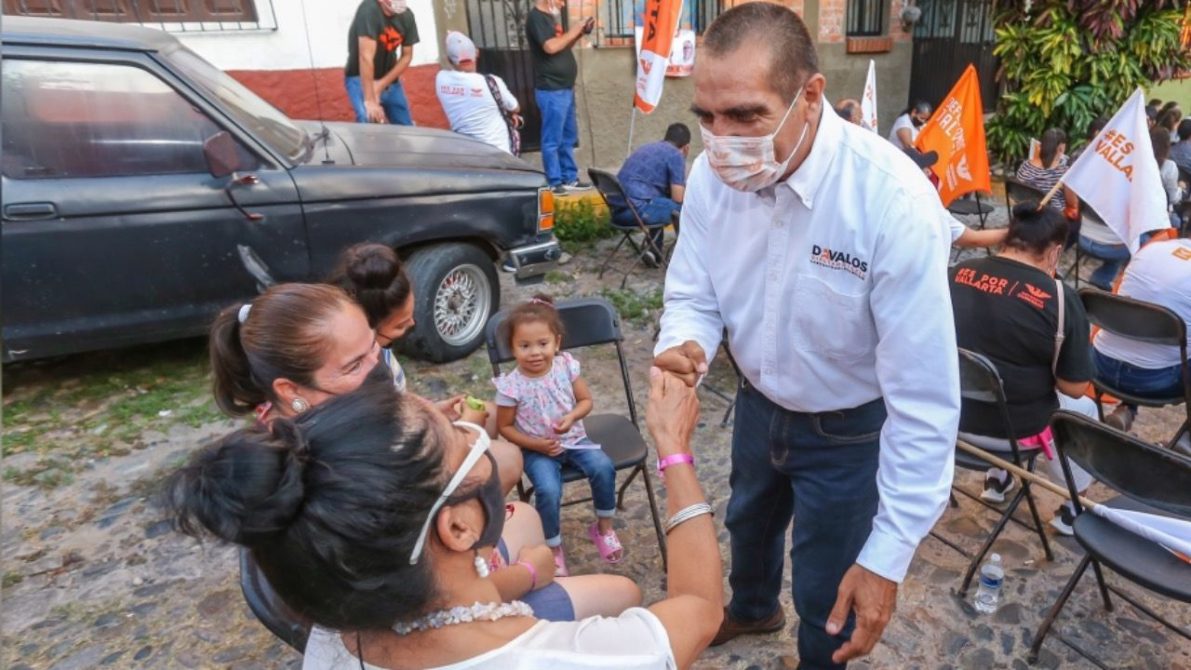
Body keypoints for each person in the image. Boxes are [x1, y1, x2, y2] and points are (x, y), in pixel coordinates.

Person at [654, 4, 961, 667]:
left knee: (829, 588)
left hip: (848, 432)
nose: (720, 139)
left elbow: (924, 398)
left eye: (745, 116)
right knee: (747, 523)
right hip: (756, 406)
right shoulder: (711, 177)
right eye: (707, 116)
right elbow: (694, 289)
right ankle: (752, 608)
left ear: (811, 95)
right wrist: (687, 344)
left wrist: (887, 556)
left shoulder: (892, 202)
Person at [168, 362, 723, 668]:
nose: (476, 437)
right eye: (462, 441)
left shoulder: (338, 628)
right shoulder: (566, 660)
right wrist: (673, 448)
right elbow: (699, 611)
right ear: (458, 526)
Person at [208, 282, 639, 624]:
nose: (379, 368)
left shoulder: (308, 431)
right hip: (422, 617)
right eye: (355, 364)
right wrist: (527, 574)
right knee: (623, 593)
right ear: (290, 389)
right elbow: (437, 596)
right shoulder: (348, 480)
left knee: (524, 514)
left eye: (375, 347)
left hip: (411, 583)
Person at [949, 202, 1098, 534]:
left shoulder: (957, 272)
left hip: (947, 418)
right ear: (1055, 252)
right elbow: (1073, 387)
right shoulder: (1061, 298)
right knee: (1083, 409)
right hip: (1012, 434)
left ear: (1007, 236)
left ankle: (998, 479)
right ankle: (1073, 507)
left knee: (991, 378)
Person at [493, 295, 620, 576]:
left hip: (574, 439)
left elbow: (586, 401)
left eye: (543, 343)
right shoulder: (511, 386)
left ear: (557, 343)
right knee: (548, 490)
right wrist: (535, 444)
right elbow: (505, 427)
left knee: (603, 467)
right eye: (524, 346)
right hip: (536, 449)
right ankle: (552, 547)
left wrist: (572, 416)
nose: (535, 352)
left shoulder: (565, 367)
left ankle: (603, 529)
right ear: (512, 347)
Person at [327, 243, 507, 439]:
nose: (412, 323)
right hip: (394, 445)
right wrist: (468, 429)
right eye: (399, 326)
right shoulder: (357, 382)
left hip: (402, 424)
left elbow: (397, 399)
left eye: (410, 316)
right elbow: (394, 444)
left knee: (493, 414)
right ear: (365, 327)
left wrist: (430, 409)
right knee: (507, 453)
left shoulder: (374, 351)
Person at [1093, 233, 1191, 437]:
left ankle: (1127, 409)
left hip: (1099, 364)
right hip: (1157, 383)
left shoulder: (1149, 250)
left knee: (1145, 328)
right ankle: (1186, 440)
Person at [526, 0, 594, 195]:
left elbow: (563, 45)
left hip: (564, 88)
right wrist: (573, 30)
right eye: (560, 0)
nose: (563, 4)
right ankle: (554, 181)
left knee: (568, 137)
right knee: (552, 140)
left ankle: (570, 177)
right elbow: (550, 47)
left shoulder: (550, 18)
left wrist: (580, 33)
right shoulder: (536, 18)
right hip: (551, 89)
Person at [614, 123, 691, 267]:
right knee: (685, 208)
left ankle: (653, 251)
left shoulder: (647, 147)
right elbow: (678, 198)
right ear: (686, 148)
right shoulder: (676, 155)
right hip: (636, 212)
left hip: (617, 212)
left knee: (660, 202)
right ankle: (688, 254)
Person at [436, 31, 523, 155]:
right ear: (477, 53)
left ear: (449, 60)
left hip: (468, 153)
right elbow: (515, 107)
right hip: (499, 153)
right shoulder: (491, 82)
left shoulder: (441, 79)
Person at [344, 0, 419, 126]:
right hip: (360, 78)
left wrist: (381, 84)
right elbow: (366, 57)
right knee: (367, 120)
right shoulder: (368, 10)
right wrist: (369, 99)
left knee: (406, 127)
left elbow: (407, 56)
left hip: (390, 81)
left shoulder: (407, 16)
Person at [1153, 127, 1183, 214]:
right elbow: (1173, 198)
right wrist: (1180, 188)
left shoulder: (1137, 160)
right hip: (1160, 212)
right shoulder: (1170, 167)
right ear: (1167, 145)